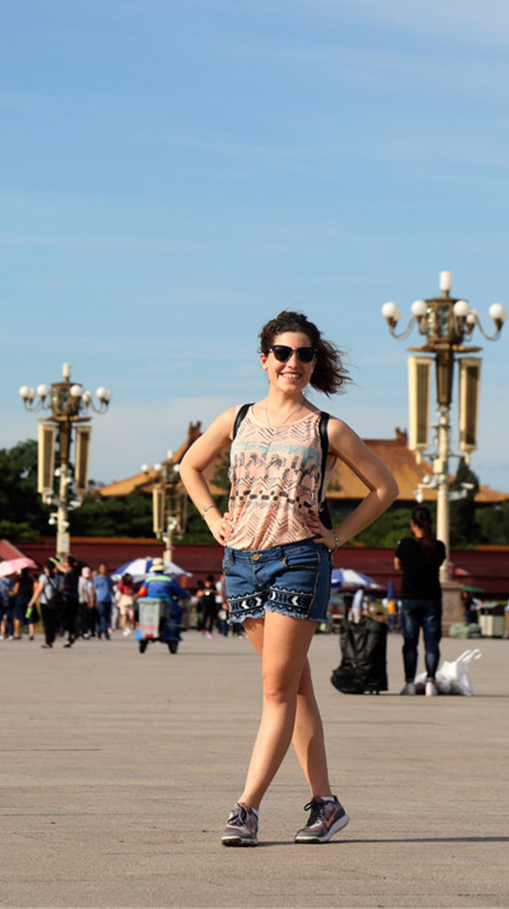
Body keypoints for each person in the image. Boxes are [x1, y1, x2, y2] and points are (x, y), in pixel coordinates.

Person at [179, 309, 398, 847]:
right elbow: (190, 466)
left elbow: (384, 487)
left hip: (299, 560)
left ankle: (246, 808)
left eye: (303, 354)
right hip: (240, 564)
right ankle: (326, 804)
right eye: (282, 353)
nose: (292, 363)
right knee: (294, 690)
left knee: (276, 690)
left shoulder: (327, 429)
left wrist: (339, 534)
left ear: (313, 363)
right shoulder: (237, 418)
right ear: (264, 359)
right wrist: (212, 519)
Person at [394, 505, 446, 696]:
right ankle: (431, 681)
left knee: (410, 643)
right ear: (430, 523)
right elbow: (437, 565)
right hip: (432, 597)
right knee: (432, 643)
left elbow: (398, 565)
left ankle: (409, 683)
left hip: (410, 597)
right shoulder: (439, 546)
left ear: (412, 523)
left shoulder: (405, 544)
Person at [28, 558, 61, 648]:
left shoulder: (43, 577)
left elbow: (39, 590)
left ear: (46, 568)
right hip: (54, 602)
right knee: (52, 621)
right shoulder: (58, 577)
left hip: (44, 602)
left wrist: (32, 601)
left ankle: (48, 641)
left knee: (47, 622)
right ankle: (52, 637)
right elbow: (60, 589)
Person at [93, 563, 113, 640]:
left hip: (108, 599)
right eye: (101, 568)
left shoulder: (109, 578)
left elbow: (111, 588)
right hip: (100, 600)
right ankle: (106, 633)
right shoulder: (97, 578)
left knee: (107, 617)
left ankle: (99, 631)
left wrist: (115, 597)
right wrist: (93, 601)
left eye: (104, 568)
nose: (103, 570)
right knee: (102, 616)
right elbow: (93, 590)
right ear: (99, 569)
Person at [117, 572, 136, 636]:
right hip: (124, 600)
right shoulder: (122, 584)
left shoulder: (132, 584)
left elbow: (133, 591)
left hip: (130, 600)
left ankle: (130, 625)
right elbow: (120, 592)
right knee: (124, 616)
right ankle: (125, 628)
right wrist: (117, 600)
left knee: (131, 615)